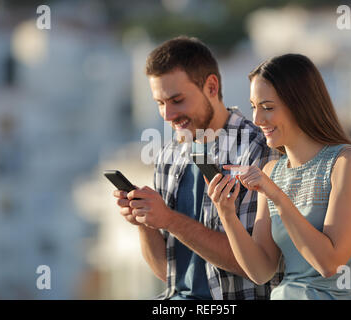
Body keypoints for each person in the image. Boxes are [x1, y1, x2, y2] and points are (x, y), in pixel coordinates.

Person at [113, 36, 282, 300]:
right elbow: (169, 274)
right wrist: (144, 222)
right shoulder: (169, 155)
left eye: (177, 100)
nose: (167, 115)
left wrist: (169, 220)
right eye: (160, 103)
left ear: (211, 87)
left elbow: (256, 266)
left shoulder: (257, 151)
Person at [206, 53, 351, 299]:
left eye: (267, 108)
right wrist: (226, 213)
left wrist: (276, 196)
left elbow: (330, 264)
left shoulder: (349, 163)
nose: (257, 120)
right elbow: (261, 270)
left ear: (301, 104)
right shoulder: (272, 172)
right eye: (253, 108)